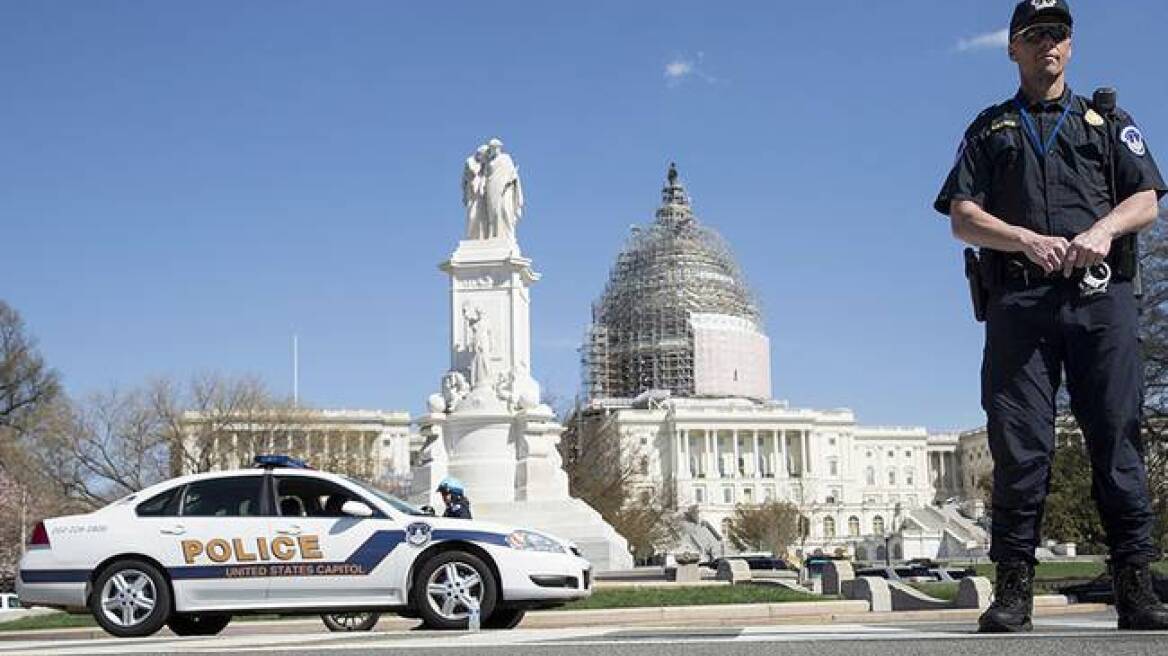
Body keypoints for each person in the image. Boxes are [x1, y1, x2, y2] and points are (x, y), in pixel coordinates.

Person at [935, 0, 1167, 633]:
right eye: (1035, 35)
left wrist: (1102, 230)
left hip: (1100, 298)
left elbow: (1146, 198)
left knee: (1118, 436)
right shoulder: (990, 128)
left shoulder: (1106, 121)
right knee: (1019, 446)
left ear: (1071, 44)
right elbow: (962, 216)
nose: (1049, 45)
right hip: (1020, 303)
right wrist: (1023, 239)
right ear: (1013, 48)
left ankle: (1135, 585)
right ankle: (1013, 591)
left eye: (1059, 34)